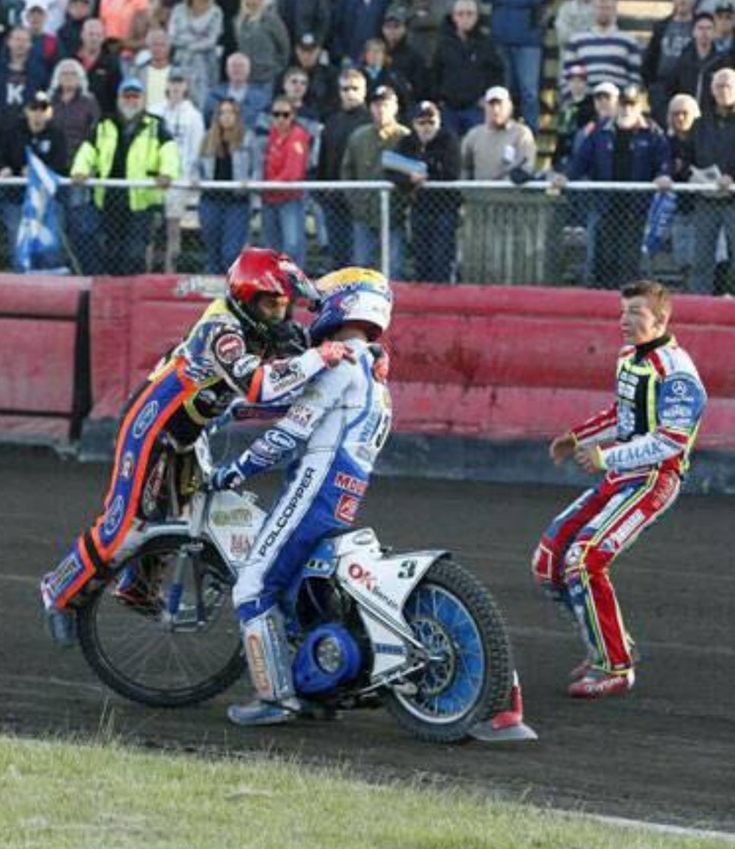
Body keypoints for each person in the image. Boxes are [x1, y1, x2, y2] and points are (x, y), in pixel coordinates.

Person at [40, 247, 356, 645]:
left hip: (190, 434)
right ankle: (57, 592)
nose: (281, 312)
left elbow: (305, 370)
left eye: (285, 303)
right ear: (246, 300)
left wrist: (361, 355)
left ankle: (137, 588)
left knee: (186, 512)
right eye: (271, 303)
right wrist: (318, 358)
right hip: (151, 426)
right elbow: (260, 386)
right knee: (122, 527)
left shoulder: (266, 326)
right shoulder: (222, 331)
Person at [210, 266, 393, 726]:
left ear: (342, 304)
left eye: (319, 302)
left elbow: (291, 431)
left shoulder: (343, 360)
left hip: (315, 486)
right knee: (296, 590)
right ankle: (321, 685)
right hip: (345, 492)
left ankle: (276, 699)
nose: (311, 310)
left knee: (252, 587)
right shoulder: (373, 367)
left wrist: (237, 470)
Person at [532, 280, 706, 699]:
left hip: (654, 480)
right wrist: (576, 437)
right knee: (548, 558)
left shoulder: (678, 373)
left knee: (584, 559)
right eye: (622, 311)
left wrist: (606, 457)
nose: (623, 321)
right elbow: (622, 413)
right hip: (623, 476)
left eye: (635, 313)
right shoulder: (630, 357)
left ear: (661, 319)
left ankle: (616, 666)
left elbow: (672, 441)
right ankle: (607, 646)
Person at [70, 76, 179, 275]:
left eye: (135, 96)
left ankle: (132, 298)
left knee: (135, 253)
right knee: (108, 250)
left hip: (141, 202)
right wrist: (80, 171)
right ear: (119, 98)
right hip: (109, 200)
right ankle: (109, 294)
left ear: (142, 99)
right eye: (127, 96)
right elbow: (88, 150)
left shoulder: (156, 125)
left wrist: (167, 173)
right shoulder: (104, 124)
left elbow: (170, 151)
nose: (131, 100)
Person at [566, 84, 671, 288]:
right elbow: (581, 161)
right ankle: (603, 300)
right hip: (605, 205)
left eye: (631, 104)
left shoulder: (653, 133)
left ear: (640, 106)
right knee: (604, 256)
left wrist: (663, 175)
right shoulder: (599, 131)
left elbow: (663, 160)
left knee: (629, 258)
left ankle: (628, 300)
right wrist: (565, 176)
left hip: (635, 207)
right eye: (623, 103)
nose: (626, 108)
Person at [340, 84, 409, 277]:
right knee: (362, 266)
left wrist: (403, 204)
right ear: (370, 108)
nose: (381, 109)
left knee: (394, 266)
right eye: (376, 105)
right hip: (364, 213)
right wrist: (356, 201)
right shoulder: (358, 136)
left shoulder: (405, 137)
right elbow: (347, 171)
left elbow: (413, 174)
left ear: (395, 107)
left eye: (385, 104)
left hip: (395, 214)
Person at [392, 99, 461, 281]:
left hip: (445, 209)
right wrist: (409, 178)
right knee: (421, 260)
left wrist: (423, 172)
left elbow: (452, 171)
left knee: (442, 259)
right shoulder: (406, 142)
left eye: (431, 122)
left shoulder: (449, 139)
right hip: (419, 208)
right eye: (421, 123)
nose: (426, 127)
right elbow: (390, 169)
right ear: (414, 124)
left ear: (439, 122)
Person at [0, 90, 68, 270]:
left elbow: (61, 164)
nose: (38, 113)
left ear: (49, 112)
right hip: (17, 199)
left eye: (43, 108)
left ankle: (51, 287)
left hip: (48, 202)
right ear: (26, 111)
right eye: (34, 108)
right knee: (18, 239)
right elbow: (3, 156)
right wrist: (5, 169)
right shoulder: (12, 132)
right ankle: (21, 284)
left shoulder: (57, 135)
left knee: (50, 245)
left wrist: (38, 171)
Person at [150, 66, 205, 272]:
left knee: (173, 229)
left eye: (179, 82)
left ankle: (169, 272)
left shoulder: (193, 115)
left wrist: (187, 177)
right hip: (155, 178)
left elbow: (195, 149)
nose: (175, 86)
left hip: (179, 180)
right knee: (151, 229)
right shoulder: (155, 111)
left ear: (185, 86)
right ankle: (147, 271)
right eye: (173, 82)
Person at [686, 66, 735, 294]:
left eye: (728, 86)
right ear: (711, 90)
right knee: (701, 259)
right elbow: (687, 159)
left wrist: (731, 177)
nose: (723, 90)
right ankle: (699, 305)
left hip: (733, 200)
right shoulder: (699, 124)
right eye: (718, 86)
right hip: (706, 199)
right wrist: (694, 175)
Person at [194, 97, 257, 274]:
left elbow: (257, 168)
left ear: (237, 116)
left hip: (237, 202)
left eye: (230, 112)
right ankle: (215, 294)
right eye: (222, 113)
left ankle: (233, 287)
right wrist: (195, 179)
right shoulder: (207, 138)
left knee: (230, 252)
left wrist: (249, 183)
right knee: (212, 250)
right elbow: (195, 166)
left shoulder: (247, 138)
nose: (226, 117)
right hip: (210, 201)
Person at [316, 67, 370, 269]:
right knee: (338, 256)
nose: (350, 93)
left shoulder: (370, 121)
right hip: (334, 197)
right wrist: (322, 191)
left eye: (355, 88)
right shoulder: (332, 121)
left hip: (361, 198)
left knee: (360, 258)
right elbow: (323, 158)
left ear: (364, 91)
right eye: (345, 89)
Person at [432, 0, 504, 137]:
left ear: (477, 16)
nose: (465, 18)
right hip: (449, 109)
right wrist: (439, 99)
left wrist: (488, 98)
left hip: (476, 108)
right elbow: (435, 73)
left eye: (470, 14)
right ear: (453, 17)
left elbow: (497, 74)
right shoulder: (443, 44)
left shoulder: (486, 44)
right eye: (460, 14)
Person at [260, 94, 310, 267]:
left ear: (293, 116)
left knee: (292, 246)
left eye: (285, 114)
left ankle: (295, 284)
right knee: (271, 248)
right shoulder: (271, 136)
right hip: (269, 198)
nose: (280, 119)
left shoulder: (298, 136)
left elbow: (293, 172)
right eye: (276, 114)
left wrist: (269, 185)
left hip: (290, 199)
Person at [562, 0, 642, 97]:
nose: (603, 12)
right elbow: (568, 74)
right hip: (586, 100)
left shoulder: (628, 41)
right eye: (599, 8)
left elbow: (635, 77)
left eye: (607, 8)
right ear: (593, 9)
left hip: (617, 101)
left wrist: (628, 99)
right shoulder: (577, 41)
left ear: (615, 10)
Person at [489, 0, 545, 133]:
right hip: (500, 38)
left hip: (529, 40)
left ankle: (530, 139)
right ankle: (502, 136)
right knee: (503, 92)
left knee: (529, 93)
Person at [460, 85, 536, 180]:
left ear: (510, 106)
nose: (496, 109)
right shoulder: (473, 135)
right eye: (491, 105)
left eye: (500, 104)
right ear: (485, 107)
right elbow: (464, 168)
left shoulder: (521, 133)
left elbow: (526, 167)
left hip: (510, 193)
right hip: (479, 193)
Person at [641, 0, 694, 128]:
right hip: (661, 87)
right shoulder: (661, 26)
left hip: (688, 86)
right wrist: (652, 86)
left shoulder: (700, 25)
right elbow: (650, 57)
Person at [167, 0, 223, 110]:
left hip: (205, 63)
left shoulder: (216, 12)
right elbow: (172, 36)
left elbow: (211, 41)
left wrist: (188, 43)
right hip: (180, 60)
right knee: (178, 96)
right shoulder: (178, 10)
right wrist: (197, 39)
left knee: (202, 101)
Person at [235, 0, 290, 98]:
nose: (251, 2)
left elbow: (284, 47)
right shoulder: (239, 21)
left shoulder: (271, 19)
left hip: (267, 77)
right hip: (246, 78)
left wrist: (276, 68)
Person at [203, 51, 271, 129]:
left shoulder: (261, 98)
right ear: (227, 69)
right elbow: (207, 123)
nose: (237, 69)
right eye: (233, 66)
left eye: (241, 66)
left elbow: (267, 125)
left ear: (249, 70)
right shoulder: (214, 95)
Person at [75, 18, 122, 116]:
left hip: (102, 117)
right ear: (82, 35)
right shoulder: (72, 60)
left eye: (98, 35)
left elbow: (116, 96)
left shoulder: (112, 63)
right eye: (91, 34)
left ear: (103, 38)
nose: (94, 38)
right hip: (75, 119)